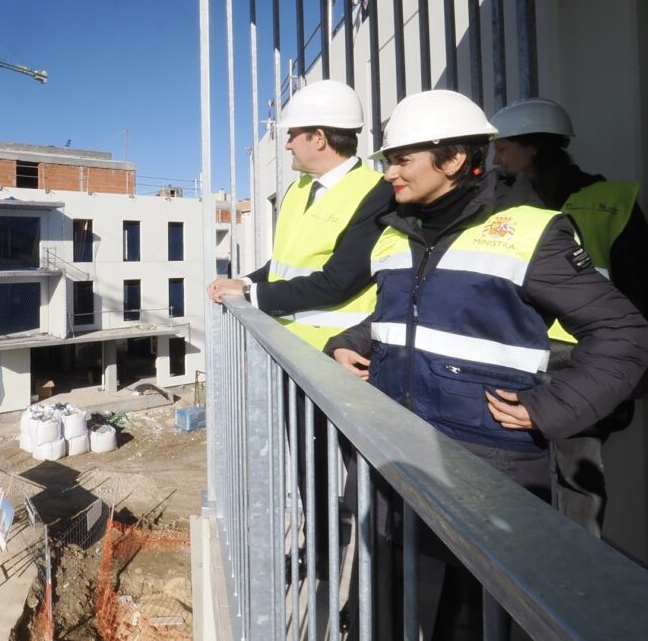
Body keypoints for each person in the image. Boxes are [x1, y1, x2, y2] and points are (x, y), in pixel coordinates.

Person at [326, 89, 648, 639]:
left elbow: (623, 331)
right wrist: (346, 340)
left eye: (402, 159)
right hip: (396, 458)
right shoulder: (393, 233)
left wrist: (554, 407)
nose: (389, 173)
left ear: (452, 160)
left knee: (474, 619)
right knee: (393, 606)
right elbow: (399, 312)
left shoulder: (529, 232)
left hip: (485, 472)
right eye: (387, 160)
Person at [207, 79, 394, 580]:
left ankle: (372, 588)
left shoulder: (375, 193)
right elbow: (286, 264)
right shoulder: (296, 191)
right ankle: (324, 555)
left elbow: (340, 281)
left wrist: (254, 297)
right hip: (295, 355)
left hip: (344, 361)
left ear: (318, 137)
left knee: (366, 480)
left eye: (293, 135)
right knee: (310, 469)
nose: (285, 143)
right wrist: (245, 280)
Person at [491, 98, 648, 534]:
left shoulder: (613, 201)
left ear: (534, 148)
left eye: (503, 148)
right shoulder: (505, 209)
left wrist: (637, 366)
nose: (496, 159)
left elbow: (639, 285)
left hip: (584, 365)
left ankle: (575, 586)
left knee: (579, 481)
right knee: (519, 482)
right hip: (520, 359)